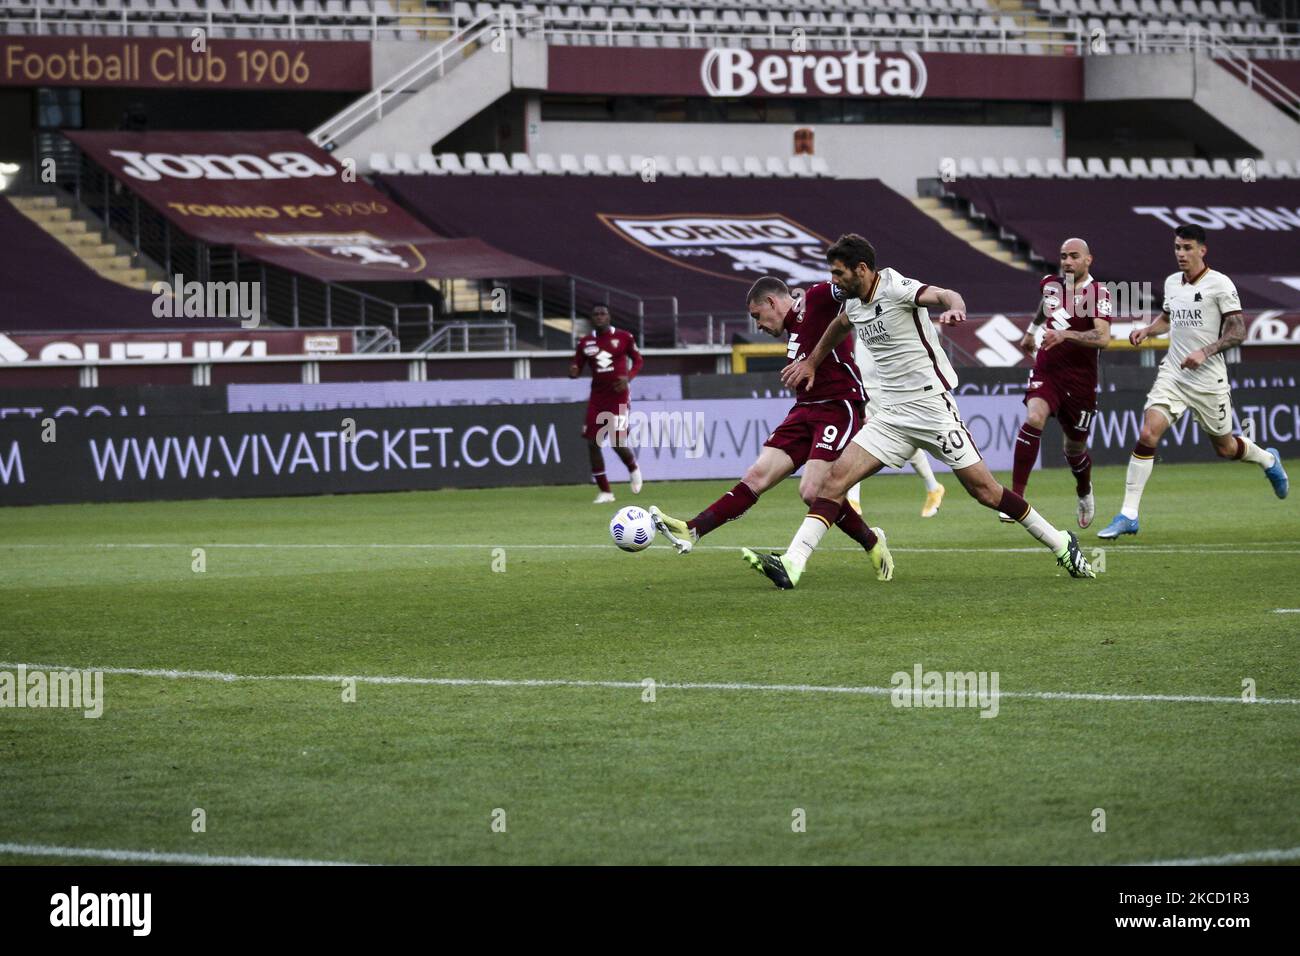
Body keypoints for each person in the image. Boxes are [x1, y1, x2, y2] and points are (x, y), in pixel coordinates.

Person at [742, 233, 1094, 589]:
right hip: (890, 417)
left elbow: (942, 294)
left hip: (930, 407)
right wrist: (813, 362)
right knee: (832, 483)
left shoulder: (895, 287)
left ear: (860, 269)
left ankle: (1061, 542)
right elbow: (838, 327)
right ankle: (793, 562)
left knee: (985, 491)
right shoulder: (853, 302)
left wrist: (955, 307)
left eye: (838, 273)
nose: (833, 281)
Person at [650, 276, 893, 580]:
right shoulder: (793, 329)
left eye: (757, 316)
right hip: (804, 410)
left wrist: (844, 281)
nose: (758, 326)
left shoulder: (816, 299)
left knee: (812, 490)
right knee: (755, 476)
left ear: (771, 302)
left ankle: (864, 543)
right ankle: (693, 529)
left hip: (837, 407)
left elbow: (854, 284)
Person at [1097, 224, 1287, 537]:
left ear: (1202, 250)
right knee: (1148, 433)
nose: (1181, 254)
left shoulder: (1219, 284)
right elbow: (1168, 319)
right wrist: (1148, 330)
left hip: (1208, 379)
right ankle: (1128, 515)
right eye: (1177, 248)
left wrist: (1206, 351)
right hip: (1174, 373)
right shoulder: (1172, 283)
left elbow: (1238, 330)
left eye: (1187, 248)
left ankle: (1267, 458)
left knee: (1225, 448)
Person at [1009, 237, 1112, 528]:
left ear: (1088, 260)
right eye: (1063, 256)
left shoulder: (1098, 293)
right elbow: (1046, 304)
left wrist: (1065, 335)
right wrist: (1032, 330)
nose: (1067, 261)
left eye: (1074, 256)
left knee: (1074, 450)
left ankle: (1084, 490)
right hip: (1048, 370)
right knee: (1035, 417)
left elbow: (1103, 337)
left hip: (1080, 382)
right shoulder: (1051, 284)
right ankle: (1015, 497)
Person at [569, 305, 643, 504]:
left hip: (618, 396)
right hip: (597, 398)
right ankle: (605, 492)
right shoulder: (585, 342)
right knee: (593, 443)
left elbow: (638, 360)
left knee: (617, 441)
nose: (600, 317)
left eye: (603, 313)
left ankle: (633, 467)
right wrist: (574, 370)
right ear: (591, 319)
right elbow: (577, 364)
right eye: (596, 314)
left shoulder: (625, 337)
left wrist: (628, 377)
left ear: (609, 316)